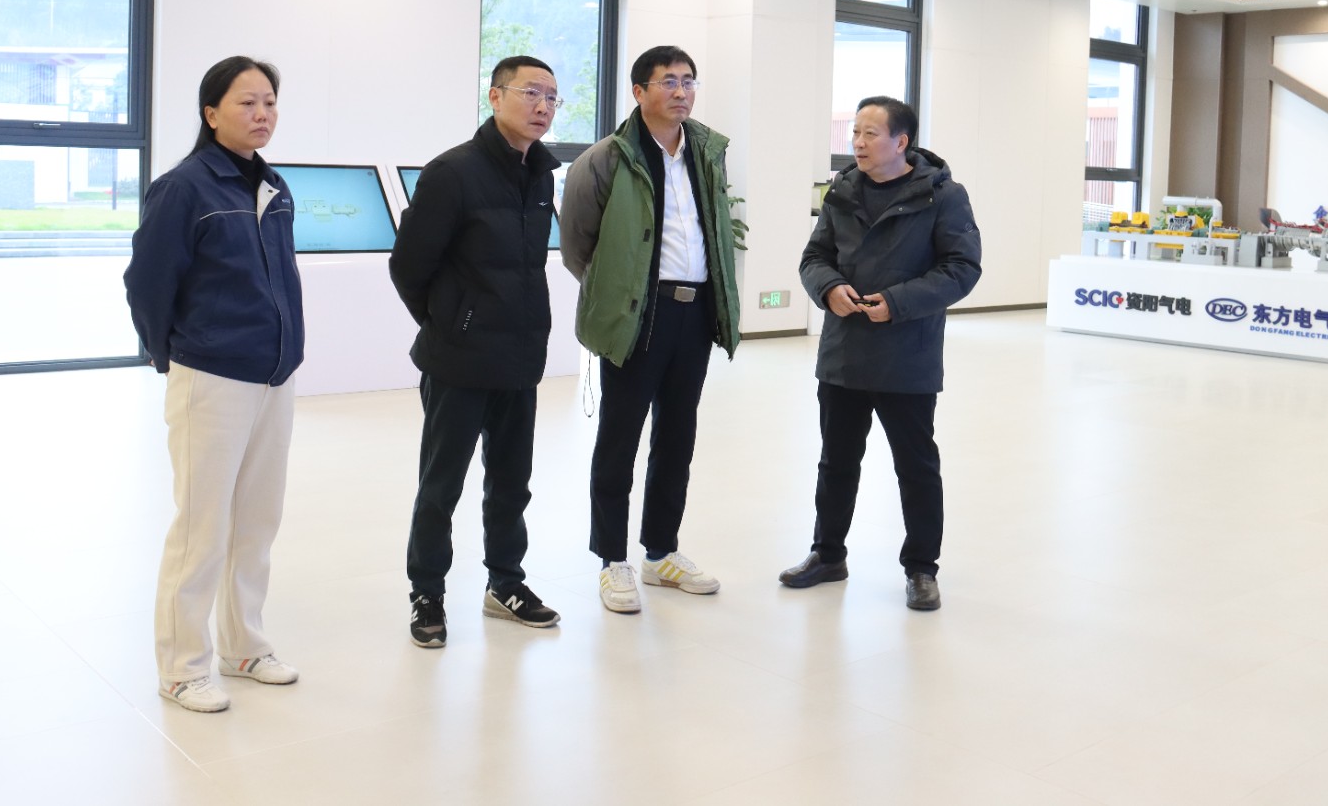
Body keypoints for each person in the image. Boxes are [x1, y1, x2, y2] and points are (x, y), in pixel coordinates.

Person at [124, 56, 305, 712]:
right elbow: (147, 283)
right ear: (211, 113)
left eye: (269, 102)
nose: (262, 114)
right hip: (212, 374)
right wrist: (171, 354)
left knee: (257, 521)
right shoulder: (184, 188)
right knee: (202, 527)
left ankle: (244, 645)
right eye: (246, 103)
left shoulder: (274, 186)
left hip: (274, 375)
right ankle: (181, 667)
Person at [390, 56, 564, 647]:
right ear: (495, 96)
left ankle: (505, 583)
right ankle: (427, 592)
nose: (542, 106)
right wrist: (452, 323)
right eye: (531, 92)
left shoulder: (541, 174)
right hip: (458, 360)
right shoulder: (452, 173)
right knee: (441, 486)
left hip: (520, 357)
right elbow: (408, 266)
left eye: (552, 97)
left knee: (512, 483)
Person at [560, 45, 740, 614]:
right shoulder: (607, 158)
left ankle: (661, 552)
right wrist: (620, 296)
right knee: (620, 437)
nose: (681, 91)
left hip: (695, 312)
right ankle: (612, 559)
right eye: (668, 81)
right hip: (640, 313)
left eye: (689, 81)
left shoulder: (706, 154)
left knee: (677, 436)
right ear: (639, 92)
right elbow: (578, 245)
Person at [783, 96, 980, 610]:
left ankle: (921, 569)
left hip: (907, 354)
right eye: (855, 133)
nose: (858, 143)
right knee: (836, 462)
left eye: (871, 134)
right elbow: (815, 256)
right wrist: (828, 288)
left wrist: (896, 303)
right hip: (844, 352)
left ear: (901, 142)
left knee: (916, 468)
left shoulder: (943, 195)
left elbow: (962, 268)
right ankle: (828, 554)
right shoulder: (843, 190)